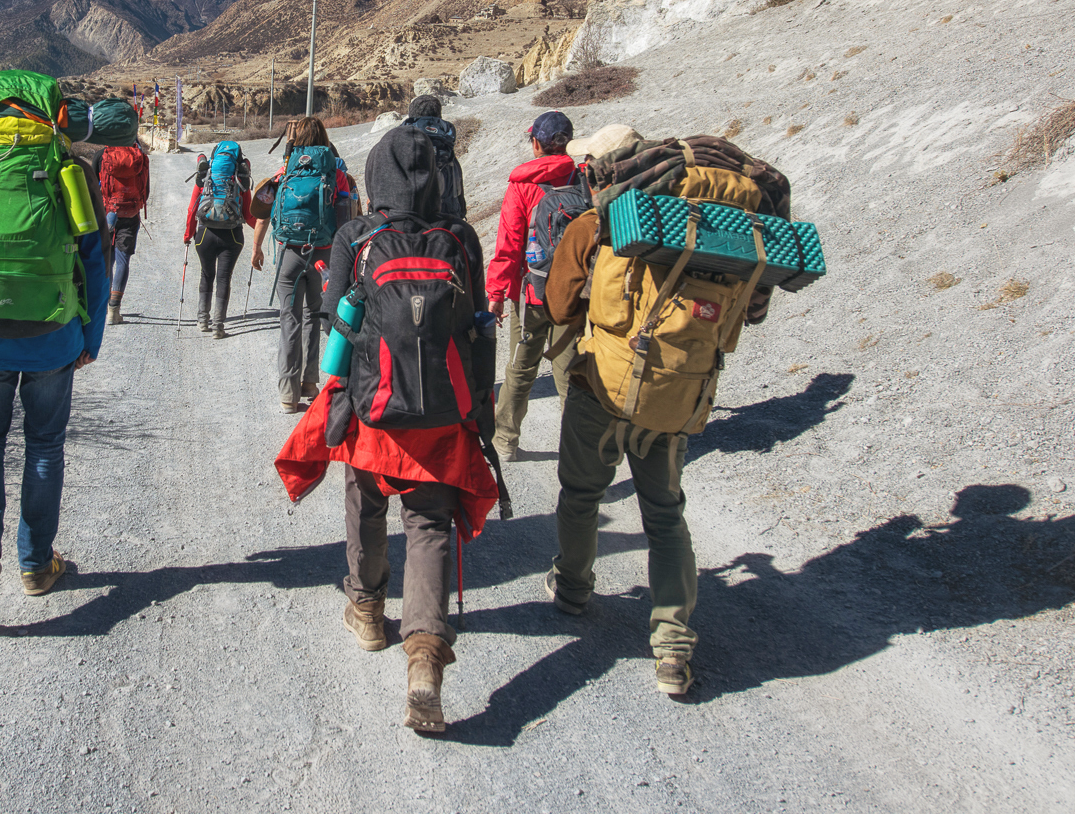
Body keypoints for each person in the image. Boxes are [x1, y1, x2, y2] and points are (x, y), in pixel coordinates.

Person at [541, 132, 787, 698]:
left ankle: (574, 590)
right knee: (665, 514)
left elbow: (557, 305)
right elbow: (752, 313)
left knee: (581, 494)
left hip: (601, 385)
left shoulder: (599, 222)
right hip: (678, 392)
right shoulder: (723, 232)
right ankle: (673, 643)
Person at [274, 127, 500, 734]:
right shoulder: (460, 238)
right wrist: (483, 411)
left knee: (366, 503)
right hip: (441, 417)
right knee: (428, 524)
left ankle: (369, 611)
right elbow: (479, 328)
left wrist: (336, 393)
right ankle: (425, 655)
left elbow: (333, 320)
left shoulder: (357, 235)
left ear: (376, 179)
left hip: (376, 407)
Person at [0, 75, 109, 621]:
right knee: (44, 445)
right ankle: (36, 564)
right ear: (53, 117)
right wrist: (90, 337)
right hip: (53, 338)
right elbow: (94, 262)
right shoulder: (68, 174)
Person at [486, 110, 580, 460]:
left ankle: (505, 442)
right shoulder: (582, 177)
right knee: (569, 372)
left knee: (520, 369)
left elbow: (508, 246)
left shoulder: (522, 185)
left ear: (536, 143)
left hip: (532, 292)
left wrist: (496, 294)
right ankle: (577, 447)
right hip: (572, 292)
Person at [249, 116, 357, 412]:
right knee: (314, 314)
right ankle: (310, 383)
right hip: (323, 255)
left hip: (289, 255)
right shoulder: (337, 174)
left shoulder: (285, 171)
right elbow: (349, 218)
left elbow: (263, 211)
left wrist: (257, 247)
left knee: (289, 320)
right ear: (325, 139)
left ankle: (288, 393)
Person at [182, 140, 253, 338]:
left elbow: (192, 208)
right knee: (224, 278)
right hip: (232, 235)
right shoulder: (240, 178)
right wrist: (262, 230)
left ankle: (202, 320)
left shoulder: (206, 177)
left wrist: (188, 234)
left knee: (206, 274)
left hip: (205, 233)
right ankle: (218, 327)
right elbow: (248, 214)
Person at [98, 140, 151, 325]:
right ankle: (114, 310)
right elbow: (146, 189)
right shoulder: (139, 155)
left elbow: (92, 187)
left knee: (107, 260)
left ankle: (104, 305)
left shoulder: (103, 153)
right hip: (130, 213)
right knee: (122, 260)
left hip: (106, 213)